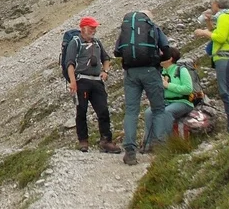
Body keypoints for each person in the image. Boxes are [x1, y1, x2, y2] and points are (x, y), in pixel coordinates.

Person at [113, 10, 171, 165]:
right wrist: (157, 59)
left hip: (131, 73)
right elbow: (167, 50)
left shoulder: (127, 30)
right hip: (150, 71)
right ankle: (159, 146)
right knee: (158, 109)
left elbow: (117, 51)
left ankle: (130, 151)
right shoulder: (154, 28)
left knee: (132, 110)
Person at [65, 16, 121, 154]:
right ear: (83, 28)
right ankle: (83, 141)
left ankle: (106, 140)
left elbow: (106, 58)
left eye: (95, 27)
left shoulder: (97, 43)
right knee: (82, 111)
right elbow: (70, 63)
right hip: (81, 81)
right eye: (91, 27)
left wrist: (105, 71)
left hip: (97, 81)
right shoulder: (75, 42)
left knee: (103, 110)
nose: (94, 30)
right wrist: (72, 82)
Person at [195, 0, 229, 132]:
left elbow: (220, 37)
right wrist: (209, 22)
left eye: (212, 3)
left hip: (225, 59)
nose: (211, 6)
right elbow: (217, 32)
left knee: (227, 93)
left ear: (216, 4)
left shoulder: (223, 17)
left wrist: (203, 32)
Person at [141, 47, 194, 153]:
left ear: (170, 58)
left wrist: (168, 85)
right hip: (164, 101)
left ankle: (163, 144)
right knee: (149, 112)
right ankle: (148, 143)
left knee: (166, 112)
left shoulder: (181, 70)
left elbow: (188, 89)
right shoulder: (161, 71)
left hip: (182, 102)